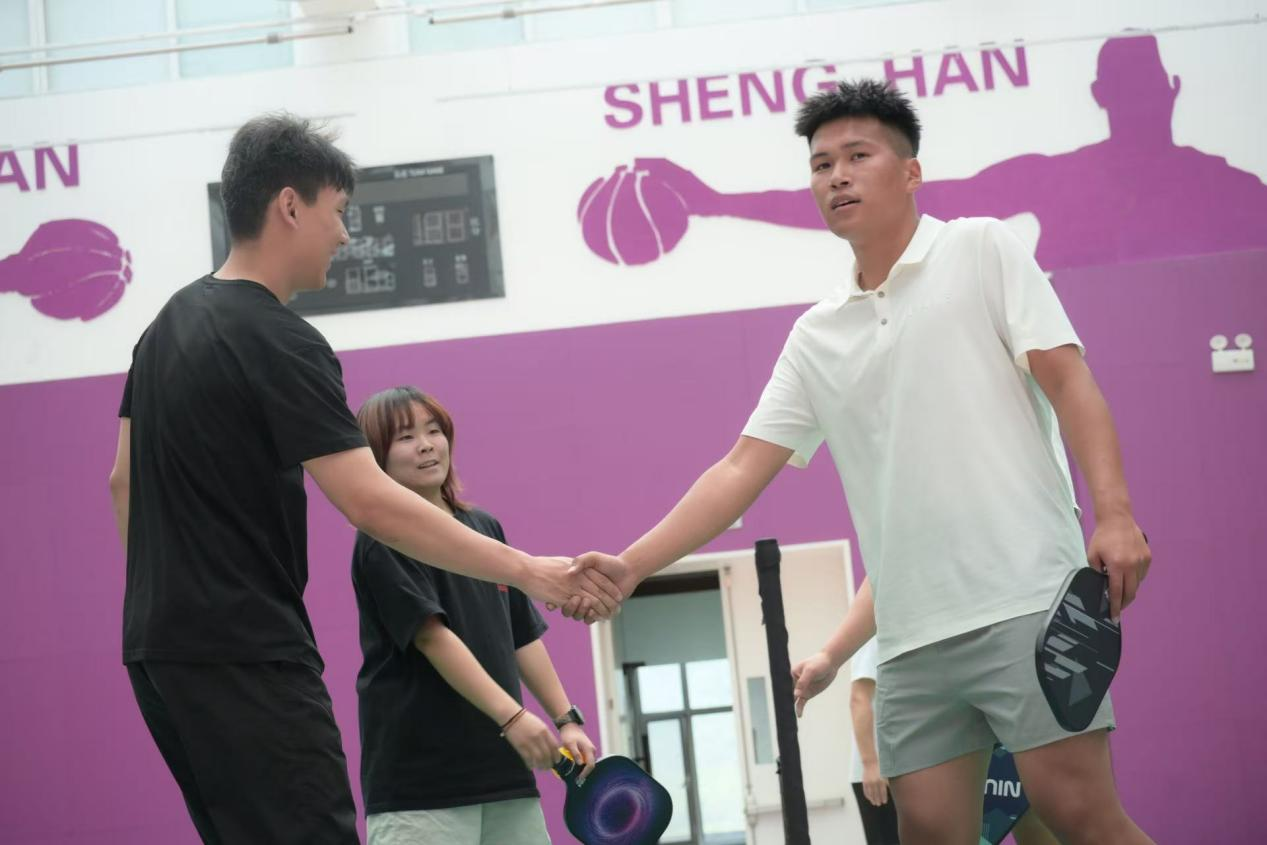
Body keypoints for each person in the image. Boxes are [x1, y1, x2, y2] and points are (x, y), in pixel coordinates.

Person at [569, 79, 1153, 844]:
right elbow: (738, 469)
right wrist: (631, 566)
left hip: (1026, 601)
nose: (836, 176)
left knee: (1078, 816)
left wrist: (1114, 512)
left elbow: (1069, 380)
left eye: (856, 156)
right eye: (820, 165)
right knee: (929, 834)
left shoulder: (980, 250)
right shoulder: (816, 337)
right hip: (909, 638)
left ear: (909, 171)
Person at [108, 113, 619, 845]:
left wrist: (171, 598)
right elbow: (371, 504)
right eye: (339, 212)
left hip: (158, 652)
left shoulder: (160, 330)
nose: (345, 236)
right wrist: (531, 571)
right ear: (290, 206)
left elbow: (122, 483)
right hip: (249, 649)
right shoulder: (281, 338)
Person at [352, 386, 598, 844]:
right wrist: (513, 718)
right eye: (405, 437)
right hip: (421, 787)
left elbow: (521, 636)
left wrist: (566, 720)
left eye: (434, 431)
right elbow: (431, 636)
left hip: (507, 778)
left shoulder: (485, 529)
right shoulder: (383, 538)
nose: (426, 445)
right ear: (375, 458)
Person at [850, 637, 900, 845]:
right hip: (879, 773)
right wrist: (870, 764)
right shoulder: (873, 637)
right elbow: (859, 698)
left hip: (902, 768)